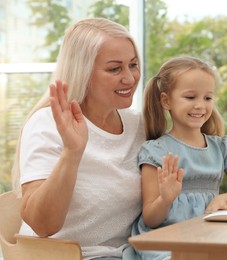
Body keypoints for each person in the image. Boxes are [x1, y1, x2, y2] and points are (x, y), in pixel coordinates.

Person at [11, 18, 145, 260]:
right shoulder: (47, 124)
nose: (130, 78)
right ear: (82, 72)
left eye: (133, 65)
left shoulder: (138, 125)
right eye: (115, 69)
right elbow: (43, 226)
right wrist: (72, 153)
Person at [129, 56, 227, 260]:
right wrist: (166, 198)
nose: (200, 105)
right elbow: (151, 219)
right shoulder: (155, 151)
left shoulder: (222, 147)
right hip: (167, 242)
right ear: (166, 101)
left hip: (207, 238)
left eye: (207, 98)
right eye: (190, 97)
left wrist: (222, 198)